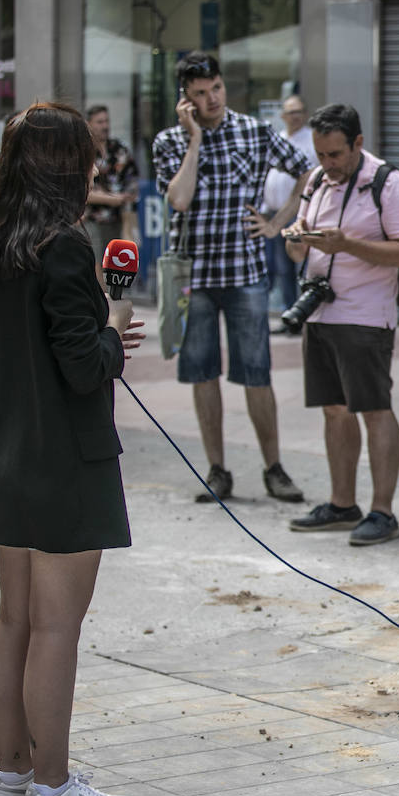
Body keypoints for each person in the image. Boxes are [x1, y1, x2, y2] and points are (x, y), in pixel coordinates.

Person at [0, 102, 145, 796]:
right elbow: (82, 367)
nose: (98, 164)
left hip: (4, 457)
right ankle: (55, 790)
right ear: (69, 167)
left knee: (15, 620)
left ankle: (13, 779)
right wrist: (113, 325)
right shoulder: (64, 246)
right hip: (63, 461)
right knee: (56, 629)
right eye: (88, 153)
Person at [152, 51, 311, 504]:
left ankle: (274, 468)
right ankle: (217, 470)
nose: (211, 98)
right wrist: (195, 141)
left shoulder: (255, 131)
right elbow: (179, 200)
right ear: (186, 98)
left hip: (244, 272)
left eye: (216, 89)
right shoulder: (169, 141)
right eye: (200, 94)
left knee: (257, 374)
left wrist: (277, 222)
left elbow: (306, 173)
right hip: (194, 275)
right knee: (203, 374)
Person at [282, 104, 399, 547]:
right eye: (321, 155)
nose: (328, 164)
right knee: (333, 408)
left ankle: (383, 512)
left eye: (336, 154)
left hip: (365, 315)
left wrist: (348, 245)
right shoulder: (318, 181)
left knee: (374, 408)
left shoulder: (389, 183)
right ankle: (342, 504)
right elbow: (297, 253)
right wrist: (296, 241)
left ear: (358, 143)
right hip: (319, 310)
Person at [265, 94, 316, 317]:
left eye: (299, 112)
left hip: (300, 215)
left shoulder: (312, 141)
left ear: (305, 115)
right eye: (290, 112)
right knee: (281, 268)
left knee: (299, 267)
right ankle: (288, 313)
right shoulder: (279, 138)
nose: (295, 117)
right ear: (283, 116)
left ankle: (302, 313)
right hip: (275, 215)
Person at [83, 105, 139, 259]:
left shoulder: (119, 149)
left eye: (106, 121)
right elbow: (81, 191)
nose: (105, 126)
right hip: (92, 219)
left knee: (118, 265)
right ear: (89, 124)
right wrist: (111, 199)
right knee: (95, 264)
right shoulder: (84, 150)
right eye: (100, 122)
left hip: (119, 218)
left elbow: (132, 184)